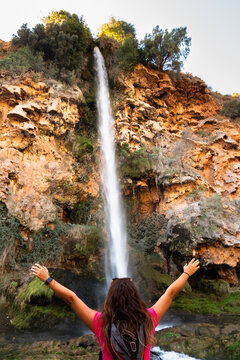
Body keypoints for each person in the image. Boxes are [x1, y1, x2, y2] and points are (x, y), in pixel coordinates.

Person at [31, 258, 200, 360]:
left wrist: (48, 279)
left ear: (110, 297)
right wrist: (186, 273)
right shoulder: (149, 319)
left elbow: (71, 299)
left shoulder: (100, 322)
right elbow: (170, 294)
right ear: (135, 295)